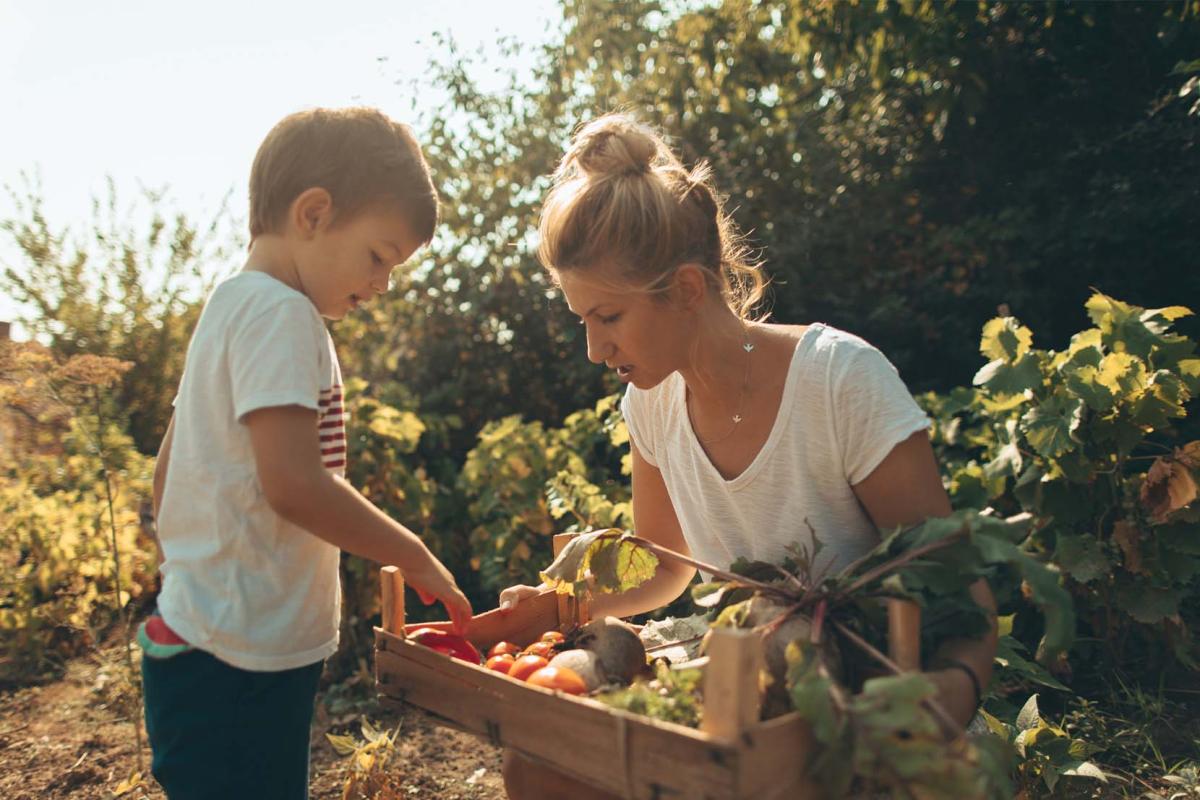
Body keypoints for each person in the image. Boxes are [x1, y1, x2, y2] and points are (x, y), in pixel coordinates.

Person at [498, 113, 997, 799]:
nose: (593, 349)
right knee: (537, 769)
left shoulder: (840, 383)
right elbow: (665, 568)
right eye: (582, 320)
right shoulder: (651, 404)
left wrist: (949, 695)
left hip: (867, 716)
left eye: (607, 318)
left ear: (686, 291)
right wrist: (560, 604)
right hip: (751, 697)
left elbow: (963, 598)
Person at [142, 107, 472, 800]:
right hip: (239, 655)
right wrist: (411, 551)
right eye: (379, 256)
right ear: (314, 214)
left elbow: (168, 468)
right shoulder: (283, 315)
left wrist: (191, 575)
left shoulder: (229, 304)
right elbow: (293, 483)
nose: (383, 283)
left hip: (200, 635)